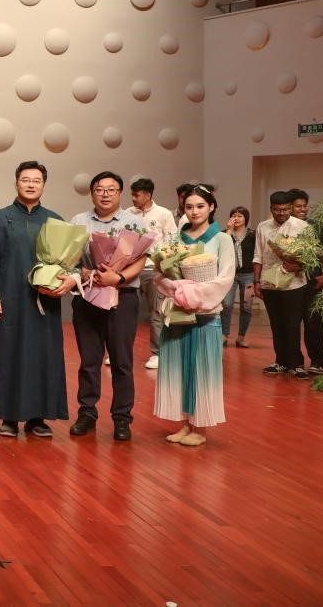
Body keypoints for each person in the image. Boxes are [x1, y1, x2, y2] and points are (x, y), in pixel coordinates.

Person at [0, 161, 76, 438]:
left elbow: (67, 261)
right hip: (10, 298)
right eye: (25, 180)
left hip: (45, 301)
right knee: (9, 354)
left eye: (36, 180)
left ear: (44, 184)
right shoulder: (1, 218)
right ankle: (9, 417)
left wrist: (64, 281)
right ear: (16, 183)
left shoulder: (54, 219)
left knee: (44, 356)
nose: (31, 184)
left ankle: (38, 417)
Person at [69, 171, 148, 441]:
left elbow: (141, 258)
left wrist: (119, 278)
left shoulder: (132, 222)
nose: (105, 194)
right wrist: (84, 273)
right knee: (89, 360)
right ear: (92, 193)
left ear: (120, 193)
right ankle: (87, 413)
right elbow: (70, 258)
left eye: (111, 189)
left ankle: (122, 418)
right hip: (88, 295)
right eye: (99, 189)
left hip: (122, 296)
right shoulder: (79, 221)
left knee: (121, 361)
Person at [153, 185, 234, 447]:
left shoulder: (222, 239)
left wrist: (193, 294)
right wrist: (177, 289)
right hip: (178, 311)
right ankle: (185, 424)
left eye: (200, 206)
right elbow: (160, 274)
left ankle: (201, 428)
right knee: (179, 369)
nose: (194, 211)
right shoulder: (176, 239)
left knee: (202, 370)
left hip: (205, 313)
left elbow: (226, 277)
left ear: (211, 207)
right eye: (189, 207)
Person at [253, 191, 311, 379]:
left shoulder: (302, 226)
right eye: (277, 210)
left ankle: (296, 364)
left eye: (285, 209)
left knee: (292, 324)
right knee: (276, 324)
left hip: (294, 283)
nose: (281, 213)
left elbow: (312, 256)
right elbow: (258, 256)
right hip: (269, 283)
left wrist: (299, 265)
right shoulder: (262, 227)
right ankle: (280, 362)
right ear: (271, 209)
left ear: (291, 208)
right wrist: (257, 281)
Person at [127, 178, 178, 370]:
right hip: (130, 270)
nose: (133, 198)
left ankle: (157, 354)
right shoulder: (127, 214)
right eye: (132, 195)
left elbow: (173, 242)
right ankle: (119, 352)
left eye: (136, 195)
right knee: (125, 312)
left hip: (153, 270)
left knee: (156, 312)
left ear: (148, 195)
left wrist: (164, 265)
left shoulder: (164, 214)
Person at [288, 188, 323, 375]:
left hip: (313, 280)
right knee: (291, 323)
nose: (303, 209)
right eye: (298, 206)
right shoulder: (284, 227)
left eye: (305, 206)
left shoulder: (317, 226)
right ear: (289, 207)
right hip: (290, 282)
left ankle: (318, 361)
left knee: (313, 322)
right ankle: (294, 362)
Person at [221, 206, 255, 347]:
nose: (236, 218)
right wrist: (229, 231)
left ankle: (241, 337)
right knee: (226, 304)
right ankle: (224, 335)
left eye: (240, 216)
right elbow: (221, 248)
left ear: (246, 218)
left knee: (246, 306)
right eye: (233, 215)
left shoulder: (253, 235)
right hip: (230, 274)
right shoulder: (224, 234)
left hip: (249, 275)